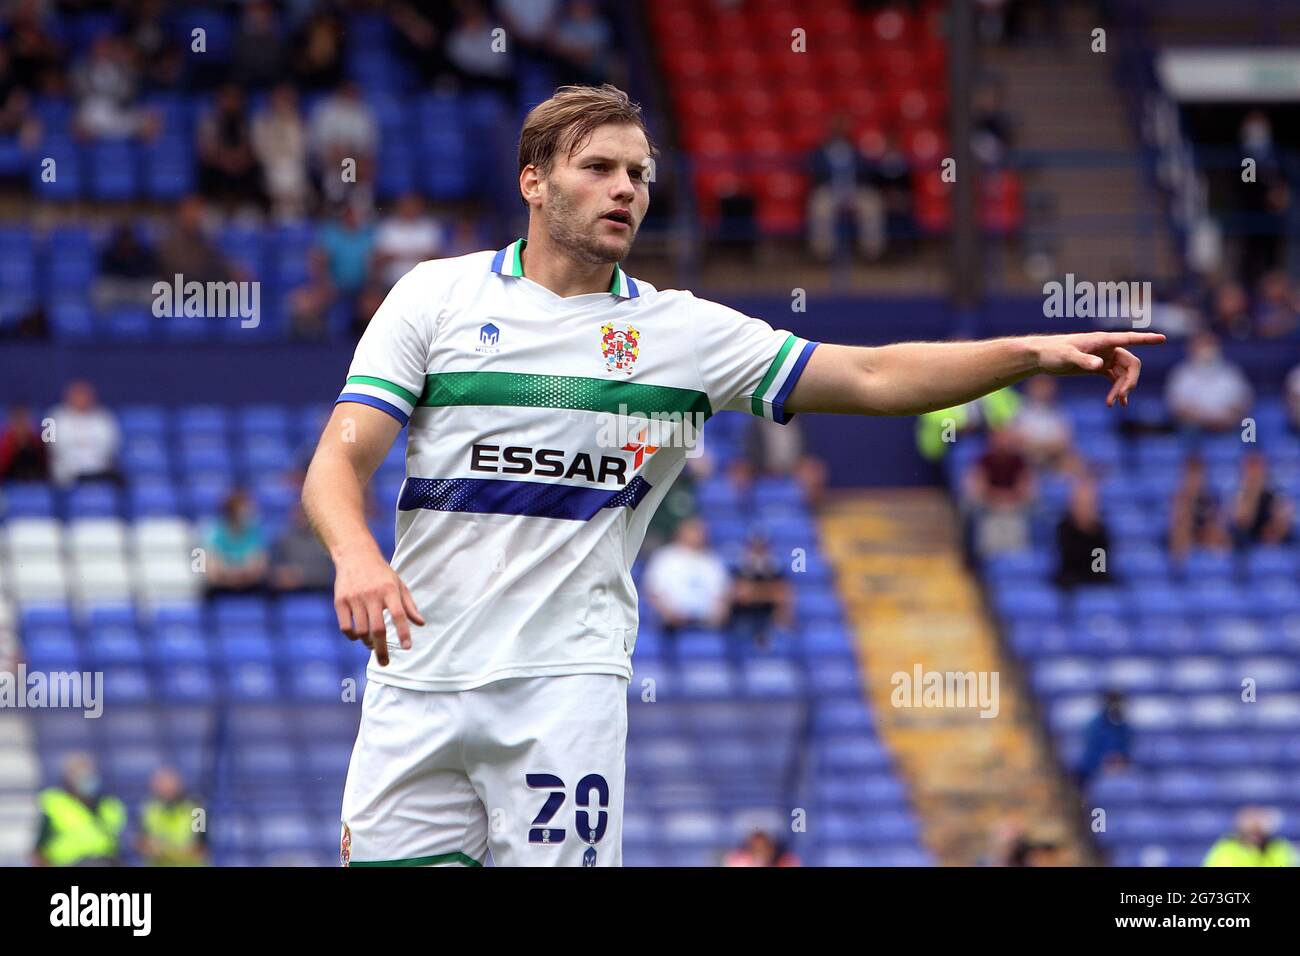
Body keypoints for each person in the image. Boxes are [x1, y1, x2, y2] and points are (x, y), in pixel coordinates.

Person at [300, 83, 1163, 868]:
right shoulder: (434, 298)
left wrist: (1026, 353)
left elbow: (869, 377)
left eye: (637, 173)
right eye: (598, 168)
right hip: (415, 682)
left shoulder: (684, 335)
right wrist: (356, 553)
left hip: (562, 690)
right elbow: (339, 458)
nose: (625, 189)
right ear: (533, 181)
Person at [807, 114, 886, 262]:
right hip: (830, 191)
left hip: (854, 190)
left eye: (843, 126)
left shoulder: (856, 150)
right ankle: (823, 254)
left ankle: (871, 253)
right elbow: (814, 173)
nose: (840, 130)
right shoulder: (820, 151)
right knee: (820, 206)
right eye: (837, 126)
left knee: (872, 204)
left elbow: (867, 171)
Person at [32, 753, 126, 867]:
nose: (86, 779)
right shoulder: (55, 804)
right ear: (69, 779)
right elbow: (38, 850)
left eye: (89, 774)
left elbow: (124, 841)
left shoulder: (109, 805)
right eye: (80, 775)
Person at [643, 518, 731, 638]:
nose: (698, 534)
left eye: (700, 531)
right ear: (681, 532)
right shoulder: (664, 557)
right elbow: (652, 591)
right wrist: (668, 614)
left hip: (706, 626)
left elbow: (723, 596)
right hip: (671, 627)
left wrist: (717, 616)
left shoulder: (712, 560)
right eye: (693, 530)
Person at [1164, 331, 1252, 434]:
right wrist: (1206, 420)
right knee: (1189, 430)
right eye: (1203, 346)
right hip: (1195, 427)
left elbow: (1243, 402)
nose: (1207, 350)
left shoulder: (1231, 372)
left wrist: (1226, 419)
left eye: (1210, 345)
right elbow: (1178, 408)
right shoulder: (1181, 374)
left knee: (1250, 426)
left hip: (1228, 424)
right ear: (1192, 349)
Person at [45, 380, 122, 487]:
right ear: (68, 396)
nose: (81, 399)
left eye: (84, 395)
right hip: (67, 474)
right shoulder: (51, 418)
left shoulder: (105, 417)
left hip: (98, 471)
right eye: (77, 395)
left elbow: (111, 446)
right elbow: (49, 447)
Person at [727, 533, 793, 652]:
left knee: (778, 638)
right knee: (742, 640)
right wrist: (768, 592)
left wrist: (754, 591)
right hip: (744, 617)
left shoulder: (775, 570)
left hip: (768, 616)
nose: (758, 553)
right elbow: (742, 596)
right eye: (755, 549)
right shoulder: (738, 570)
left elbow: (782, 595)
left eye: (762, 549)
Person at [372, 193, 445, 290]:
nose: (409, 209)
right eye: (406, 206)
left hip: (423, 283)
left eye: (413, 206)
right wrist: (416, 255)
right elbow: (379, 258)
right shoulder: (387, 227)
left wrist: (398, 255)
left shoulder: (430, 227)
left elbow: (436, 258)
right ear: (399, 207)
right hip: (392, 283)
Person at [137, 767, 208, 866]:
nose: (164, 788)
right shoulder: (149, 809)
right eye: (160, 784)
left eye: (167, 783)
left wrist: (166, 851)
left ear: (178, 784)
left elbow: (200, 848)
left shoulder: (197, 809)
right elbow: (140, 843)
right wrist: (150, 847)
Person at [203, 490, 269, 594]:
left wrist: (243, 576)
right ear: (232, 512)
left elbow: (259, 566)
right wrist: (230, 577)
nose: (250, 513)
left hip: (249, 584)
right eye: (245, 510)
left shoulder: (255, 532)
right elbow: (212, 570)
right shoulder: (214, 533)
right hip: (222, 585)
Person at [1054, 478, 1112, 588]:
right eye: (1081, 502)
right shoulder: (1064, 527)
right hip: (1071, 577)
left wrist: (1092, 530)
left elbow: (1100, 564)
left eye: (1088, 503)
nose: (1084, 506)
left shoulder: (1100, 529)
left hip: (1094, 576)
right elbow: (1070, 557)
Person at [1169, 456, 1230, 559]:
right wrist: (1188, 502)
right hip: (1186, 544)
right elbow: (1176, 531)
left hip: (1206, 542)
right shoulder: (1179, 499)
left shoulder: (1212, 499)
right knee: (1180, 534)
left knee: (1220, 537)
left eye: (1197, 475)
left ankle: (1217, 567)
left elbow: (1217, 528)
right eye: (1191, 475)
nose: (1194, 480)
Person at [1231, 451, 1294, 548]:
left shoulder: (1275, 495)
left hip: (1272, 542)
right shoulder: (1239, 495)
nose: (1255, 474)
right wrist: (1253, 492)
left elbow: (1284, 527)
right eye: (1251, 470)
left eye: (1258, 470)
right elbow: (1243, 523)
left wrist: (1274, 530)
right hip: (1247, 543)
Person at [271, 502, 335, 591]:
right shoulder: (284, 538)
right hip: (287, 593)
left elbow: (329, 573)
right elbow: (274, 568)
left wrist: (302, 577)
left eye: (304, 514)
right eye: (298, 514)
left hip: (318, 592)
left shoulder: (323, 539)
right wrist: (281, 576)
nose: (301, 517)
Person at [1204, 806, 1298, 867]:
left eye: (1258, 830)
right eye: (1251, 830)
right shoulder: (1225, 851)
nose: (1255, 836)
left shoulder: (1280, 847)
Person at [1076, 690, 1131, 787]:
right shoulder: (1095, 726)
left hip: (1120, 769)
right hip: (1096, 770)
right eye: (1114, 704)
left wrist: (1121, 761)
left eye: (1119, 704)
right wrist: (1106, 762)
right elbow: (1090, 754)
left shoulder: (1124, 726)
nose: (1116, 708)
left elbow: (1127, 748)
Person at [0, 403, 47, 481]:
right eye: (18, 421)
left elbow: (45, 469)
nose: (22, 426)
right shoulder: (5, 444)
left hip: (35, 484)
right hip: (10, 486)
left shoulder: (37, 443)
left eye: (25, 421)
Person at [723, 830, 800, 867]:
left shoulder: (785, 861)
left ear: (771, 849)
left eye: (764, 848)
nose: (761, 852)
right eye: (756, 849)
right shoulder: (738, 862)